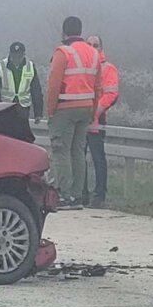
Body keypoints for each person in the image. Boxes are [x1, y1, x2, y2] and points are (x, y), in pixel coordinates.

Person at [46, 16, 102, 210]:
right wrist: (93, 111)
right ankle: (77, 196)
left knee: (60, 150)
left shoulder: (63, 53)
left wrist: (50, 110)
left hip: (65, 107)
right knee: (78, 151)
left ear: (64, 32)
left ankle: (63, 194)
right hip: (86, 107)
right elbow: (98, 86)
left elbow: (53, 84)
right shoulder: (93, 54)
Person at [83, 35, 119, 208]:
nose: (92, 47)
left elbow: (112, 94)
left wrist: (96, 111)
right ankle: (81, 194)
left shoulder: (107, 68)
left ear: (101, 47)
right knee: (78, 158)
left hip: (97, 121)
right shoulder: (83, 66)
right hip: (80, 121)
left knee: (98, 159)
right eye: (88, 44)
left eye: (95, 45)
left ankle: (99, 195)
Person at [0, 42, 44, 123]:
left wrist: (38, 113)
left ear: (24, 55)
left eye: (19, 57)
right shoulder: (0, 66)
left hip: (23, 107)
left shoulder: (30, 66)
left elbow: (36, 90)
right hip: (5, 107)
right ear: (10, 54)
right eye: (14, 56)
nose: (16, 59)